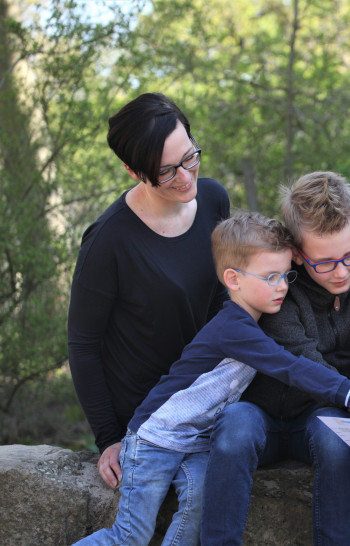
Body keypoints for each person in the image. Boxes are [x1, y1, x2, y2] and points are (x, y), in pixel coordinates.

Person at [75, 212, 350, 545]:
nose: (282, 286)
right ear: (233, 280)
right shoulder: (234, 328)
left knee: (192, 518)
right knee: (130, 536)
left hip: (194, 444)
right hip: (155, 439)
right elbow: (290, 366)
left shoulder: (249, 322)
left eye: (285, 276)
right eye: (271, 277)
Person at [201, 172, 350, 545]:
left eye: (349, 255)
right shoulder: (280, 285)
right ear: (298, 253)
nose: (342, 271)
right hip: (258, 410)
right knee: (234, 427)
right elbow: (304, 361)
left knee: (336, 436)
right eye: (325, 262)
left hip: (318, 415)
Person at [67, 92, 230, 492]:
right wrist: (108, 438)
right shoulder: (108, 241)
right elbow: (83, 346)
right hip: (147, 415)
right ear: (132, 170)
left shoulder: (213, 199)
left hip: (204, 396)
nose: (186, 177)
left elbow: (222, 300)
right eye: (166, 171)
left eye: (190, 157)